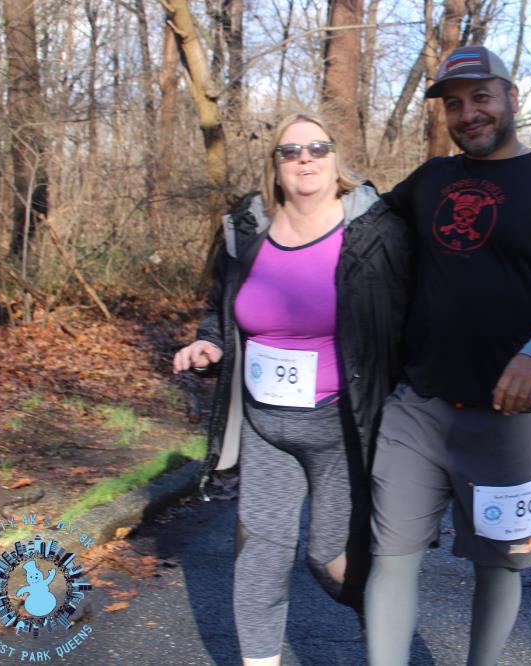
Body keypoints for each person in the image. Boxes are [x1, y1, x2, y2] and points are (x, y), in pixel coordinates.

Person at [364, 47, 531, 666]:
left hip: (511, 417)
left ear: (511, 97)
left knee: (498, 566)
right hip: (417, 407)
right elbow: (363, 226)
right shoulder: (430, 180)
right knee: (390, 558)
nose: (468, 113)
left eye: (481, 97)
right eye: (454, 104)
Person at [172, 111, 413, 666]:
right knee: (261, 554)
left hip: (340, 429)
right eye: (291, 151)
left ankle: (387, 629)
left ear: (336, 160)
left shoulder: (374, 231)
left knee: (330, 559)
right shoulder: (246, 231)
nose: (305, 158)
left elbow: (407, 316)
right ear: (275, 165)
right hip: (265, 428)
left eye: (318, 148)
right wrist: (209, 345)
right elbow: (221, 311)